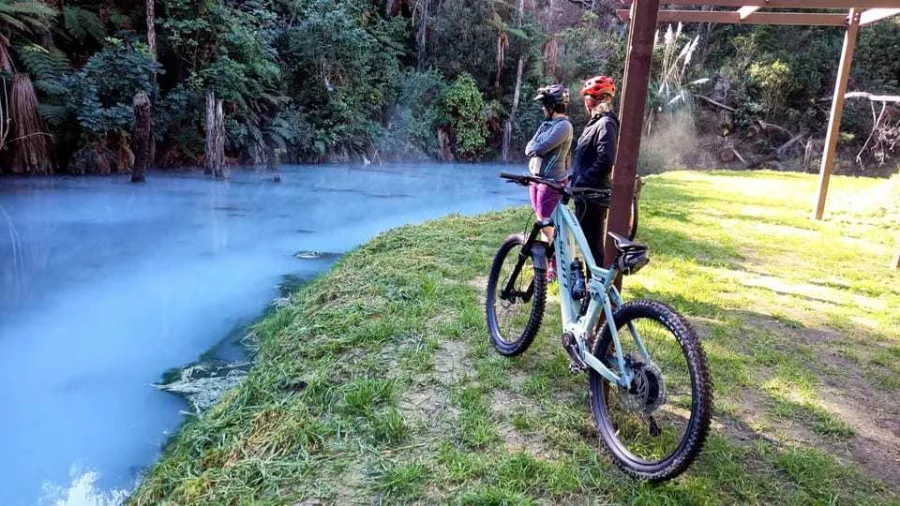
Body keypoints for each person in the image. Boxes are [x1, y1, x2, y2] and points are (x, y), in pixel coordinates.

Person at [525, 84, 573, 281]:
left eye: (545, 105)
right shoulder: (546, 124)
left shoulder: (564, 126)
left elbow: (541, 147)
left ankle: (554, 266)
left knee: (547, 226)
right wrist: (535, 148)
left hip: (552, 182)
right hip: (537, 180)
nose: (542, 109)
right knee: (542, 221)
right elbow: (529, 148)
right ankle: (546, 265)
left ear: (554, 106)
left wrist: (536, 148)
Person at [571, 75, 619, 267]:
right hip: (585, 194)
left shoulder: (605, 123)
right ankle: (594, 290)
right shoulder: (598, 122)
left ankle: (598, 291)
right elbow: (587, 160)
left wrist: (583, 180)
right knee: (589, 247)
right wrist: (572, 178)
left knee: (593, 249)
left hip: (592, 196)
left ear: (589, 101)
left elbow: (605, 160)